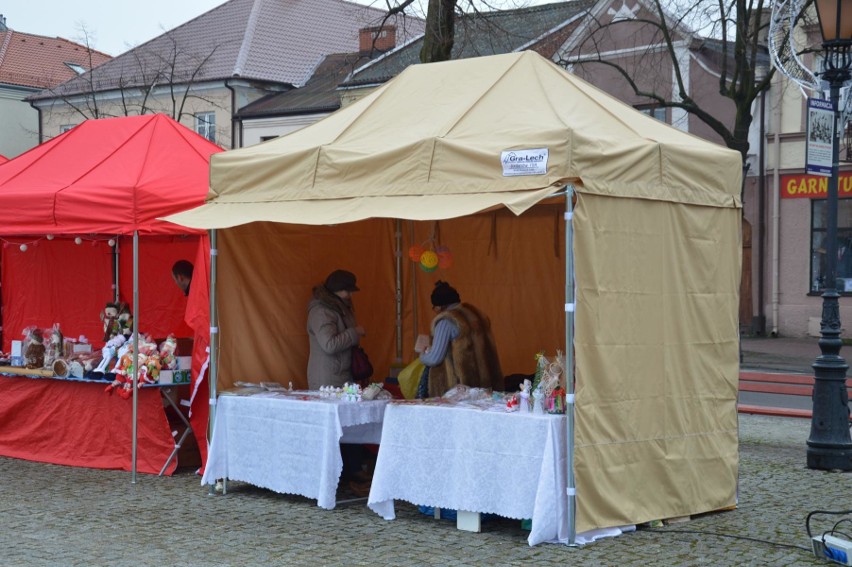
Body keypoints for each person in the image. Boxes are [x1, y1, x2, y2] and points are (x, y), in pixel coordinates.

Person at [307, 269, 369, 494]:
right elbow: (329, 345)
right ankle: (339, 473)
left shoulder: (335, 307)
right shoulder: (321, 311)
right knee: (334, 427)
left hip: (342, 374)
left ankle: (351, 469)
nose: (350, 295)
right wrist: (355, 333)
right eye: (347, 291)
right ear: (336, 290)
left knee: (350, 423)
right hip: (328, 378)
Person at [418, 280, 503, 398]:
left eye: (435, 308)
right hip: (485, 385)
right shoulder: (476, 316)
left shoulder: (446, 321)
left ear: (440, 306)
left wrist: (422, 355)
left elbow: (434, 359)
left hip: (460, 390)